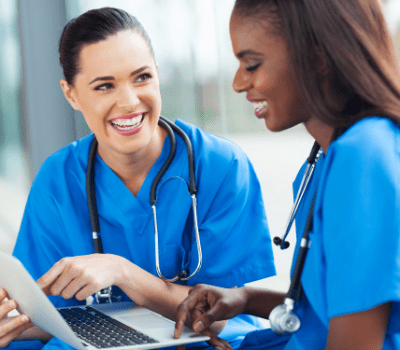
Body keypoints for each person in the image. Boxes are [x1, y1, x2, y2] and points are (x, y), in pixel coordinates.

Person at [0, 7, 277, 350]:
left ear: (158, 74)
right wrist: (14, 322)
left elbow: (223, 312)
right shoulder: (58, 180)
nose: (129, 102)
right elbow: (51, 317)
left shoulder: (220, 166)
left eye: (142, 77)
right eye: (104, 86)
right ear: (71, 94)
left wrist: (122, 272)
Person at [174, 0, 400, 349]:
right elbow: (325, 312)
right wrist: (245, 298)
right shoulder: (326, 157)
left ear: (318, 56)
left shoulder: (365, 157)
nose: (237, 82)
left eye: (252, 64)